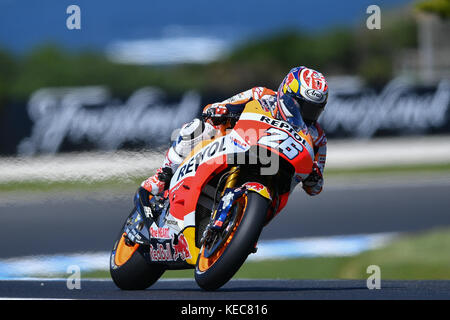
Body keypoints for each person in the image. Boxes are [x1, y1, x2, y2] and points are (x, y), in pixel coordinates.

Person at [141, 66, 328, 211]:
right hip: (236, 146)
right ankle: (162, 176)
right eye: (302, 106)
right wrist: (221, 111)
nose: (306, 114)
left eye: (314, 110)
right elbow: (220, 106)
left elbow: (316, 188)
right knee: (198, 127)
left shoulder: (317, 137)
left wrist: (314, 176)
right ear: (285, 94)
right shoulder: (261, 95)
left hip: (275, 176)